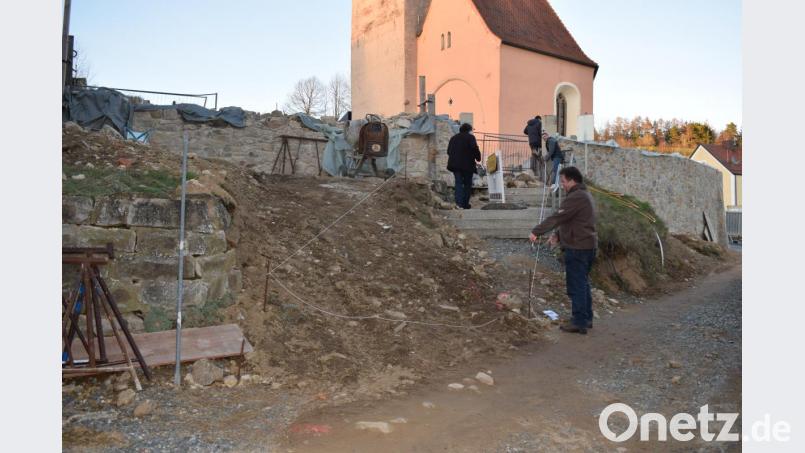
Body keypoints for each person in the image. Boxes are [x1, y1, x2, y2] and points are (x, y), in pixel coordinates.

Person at [529, 166, 597, 334]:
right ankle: (586, 318)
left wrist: (536, 231)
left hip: (578, 247)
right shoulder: (585, 195)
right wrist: (558, 235)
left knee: (576, 285)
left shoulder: (576, 197)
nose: (562, 185)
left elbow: (557, 217)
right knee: (583, 283)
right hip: (587, 246)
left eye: (563, 181)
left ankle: (579, 321)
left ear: (573, 180)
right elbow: (574, 220)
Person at [446, 123, 481, 209]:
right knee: (467, 184)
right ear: (469, 130)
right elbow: (474, 148)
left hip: (455, 165)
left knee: (458, 183)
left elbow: (448, 151)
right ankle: (465, 204)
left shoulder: (453, 138)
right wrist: (478, 158)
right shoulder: (470, 137)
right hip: (467, 165)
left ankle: (459, 204)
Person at [523, 116, 543, 180]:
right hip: (537, 141)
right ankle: (539, 158)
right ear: (539, 119)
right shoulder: (539, 123)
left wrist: (530, 133)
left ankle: (533, 169)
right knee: (539, 153)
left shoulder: (529, 124)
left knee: (533, 155)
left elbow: (525, 131)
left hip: (531, 141)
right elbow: (540, 132)